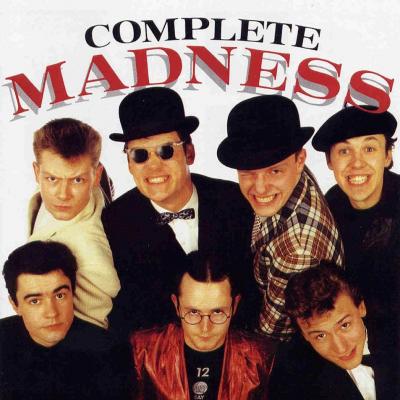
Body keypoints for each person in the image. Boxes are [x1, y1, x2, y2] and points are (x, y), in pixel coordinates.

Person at [102, 87, 258, 341]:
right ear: (129, 164)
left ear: (189, 152)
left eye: (166, 150)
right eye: (140, 155)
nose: (153, 166)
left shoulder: (237, 201)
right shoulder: (114, 222)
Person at [217, 94, 344, 342]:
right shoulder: (293, 174)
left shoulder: (297, 251)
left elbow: (270, 337)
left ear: (300, 160)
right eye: (248, 172)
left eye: (274, 171)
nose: (260, 188)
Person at [312, 105, 400, 353]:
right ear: (330, 161)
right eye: (344, 151)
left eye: (369, 149)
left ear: (387, 156)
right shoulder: (331, 205)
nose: (356, 163)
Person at [131, 251, 275, 400]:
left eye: (217, 312)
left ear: (234, 306)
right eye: (193, 312)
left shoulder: (261, 358)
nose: (205, 328)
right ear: (176, 305)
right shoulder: (142, 351)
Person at [0, 241, 131, 400]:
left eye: (60, 295)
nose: (52, 313)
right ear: (15, 305)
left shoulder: (109, 352)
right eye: (35, 301)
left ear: (72, 293)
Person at [28, 118, 120, 328]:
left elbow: (91, 329)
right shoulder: (86, 186)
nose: (63, 195)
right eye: (52, 179)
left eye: (77, 180)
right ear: (36, 172)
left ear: (96, 176)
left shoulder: (90, 251)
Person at [268, 262, 397, 400]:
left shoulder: (394, 330)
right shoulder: (291, 380)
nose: (341, 349)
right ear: (304, 335)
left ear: (361, 308)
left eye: (345, 325)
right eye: (321, 336)